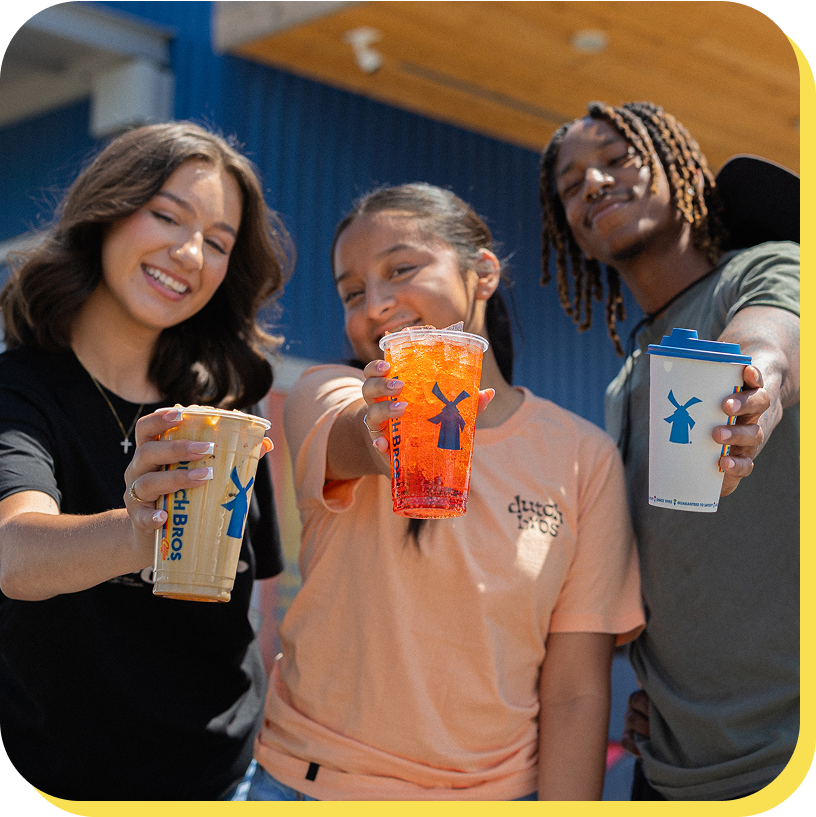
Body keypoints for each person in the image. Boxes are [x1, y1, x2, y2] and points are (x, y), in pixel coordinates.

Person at [248, 182, 644, 801]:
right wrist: (389, 425)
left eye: (401, 269)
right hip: (310, 785)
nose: (376, 304)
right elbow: (362, 440)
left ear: (481, 273)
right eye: (352, 292)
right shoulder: (328, 393)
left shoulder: (581, 456)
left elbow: (575, 692)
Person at [0, 121, 294, 800]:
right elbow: (15, 553)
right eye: (167, 215)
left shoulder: (227, 404)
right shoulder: (21, 390)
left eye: (218, 243)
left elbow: (264, 588)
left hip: (228, 780)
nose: (190, 253)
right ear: (107, 213)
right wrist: (140, 533)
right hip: (63, 778)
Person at [538, 101, 800, 800]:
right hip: (674, 768)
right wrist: (657, 675)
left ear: (682, 174)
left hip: (784, 754)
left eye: (620, 157)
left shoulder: (765, 268)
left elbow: (773, 335)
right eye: (571, 185)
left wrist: (752, 388)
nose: (593, 182)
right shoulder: (626, 382)